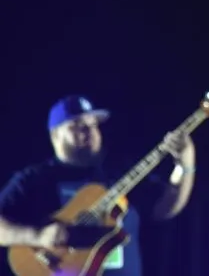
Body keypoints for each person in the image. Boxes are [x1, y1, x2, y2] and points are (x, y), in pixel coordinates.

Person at [0, 96, 196, 276]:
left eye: (93, 124)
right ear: (55, 135)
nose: (89, 131)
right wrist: (37, 236)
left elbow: (165, 208)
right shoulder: (35, 178)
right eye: (77, 126)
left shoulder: (121, 171)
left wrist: (185, 164)